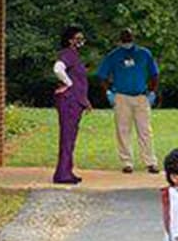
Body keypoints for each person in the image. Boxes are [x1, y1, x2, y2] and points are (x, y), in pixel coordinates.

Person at [96, 28, 160, 174]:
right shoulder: (114, 55)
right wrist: (108, 92)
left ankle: (150, 162)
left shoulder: (144, 53)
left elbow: (155, 74)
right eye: (124, 36)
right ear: (120, 38)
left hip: (141, 96)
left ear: (133, 37)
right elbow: (102, 75)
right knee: (123, 130)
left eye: (129, 36)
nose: (127, 39)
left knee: (145, 130)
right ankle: (127, 162)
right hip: (121, 96)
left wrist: (152, 93)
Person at [51, 26, 91, 185]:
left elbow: (80, 81)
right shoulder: (67, 54)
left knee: (70, 137)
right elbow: (58, 69)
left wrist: (85, 100)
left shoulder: (74, 55)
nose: (81, 41)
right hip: (69, 101)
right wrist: (69, 84)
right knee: (67, 137)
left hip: (75, 101)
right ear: (70, 40)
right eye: (78, 38)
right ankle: (62, 174)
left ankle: (67, 170)